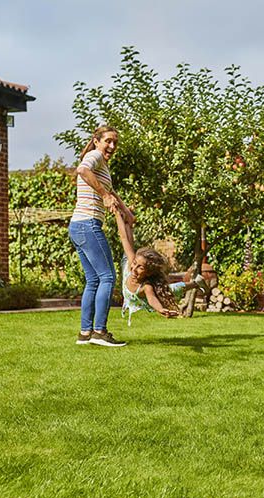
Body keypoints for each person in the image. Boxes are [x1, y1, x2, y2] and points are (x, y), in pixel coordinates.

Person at [68, 125, 134, 347]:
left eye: (115, 142)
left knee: (94, 280)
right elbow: (82, 170)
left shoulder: (102, 165)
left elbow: (111, 191)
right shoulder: (93, 156)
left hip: (78, 226)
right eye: (108, 141)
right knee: (108, 277)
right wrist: (104, 195)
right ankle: (99, 331)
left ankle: (85, 333)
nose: (112, 146)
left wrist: (125, 211)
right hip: (88, 224)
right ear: (97, 141)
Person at [115, 210, 210, 325]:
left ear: (148, 273)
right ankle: (128, 222)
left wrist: (160, 309)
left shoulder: (146, 287)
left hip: (142, 296)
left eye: (140, 267)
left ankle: (195, 283)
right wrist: (117, 214)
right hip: (128, 267)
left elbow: (152, 299)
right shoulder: (131, 263)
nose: (134, 269)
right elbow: (124, 238)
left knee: (170, 290)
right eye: (135, 264)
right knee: (129, 242)